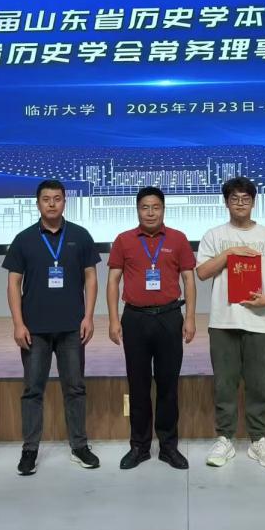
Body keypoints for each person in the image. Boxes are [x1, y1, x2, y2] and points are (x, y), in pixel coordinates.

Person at [4, 179, 101, 475]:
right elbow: (13, 283)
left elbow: (91, 278)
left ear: (64, 202)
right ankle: (30, 450)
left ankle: (79, 446)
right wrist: (18, 323)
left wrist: (89, 316)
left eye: (57, 198)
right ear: (37, 203)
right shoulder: (23, 239)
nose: (51, 204)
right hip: (34, 330)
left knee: (75, 388)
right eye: (46, 199)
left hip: (72, 327)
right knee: (33, 390)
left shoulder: (80, 235)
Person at [197, 176, 265, 468]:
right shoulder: (214, 235)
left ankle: (257, 440)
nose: (240, 203)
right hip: (223, 321)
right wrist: (229, 253)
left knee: (258, 383)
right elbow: (202, 272)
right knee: (224, 383)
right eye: (234, 199)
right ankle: (225, 438)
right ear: (226, 203)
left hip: (259, 321)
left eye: (246, 199)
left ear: (253, 202)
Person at [107, 186, 197, 470]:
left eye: (155, 207)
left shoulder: (178, 239)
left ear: (163, 209)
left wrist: (190, 317)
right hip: (135, 319)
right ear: (137, 210)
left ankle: (168, 447)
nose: (150, 212)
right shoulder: (123, 240)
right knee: (138, 385)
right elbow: (113, 281)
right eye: (145, 207)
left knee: (169, 384)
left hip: (169, 317)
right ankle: (139, 446)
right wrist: (113, 319)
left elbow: (189, 280)